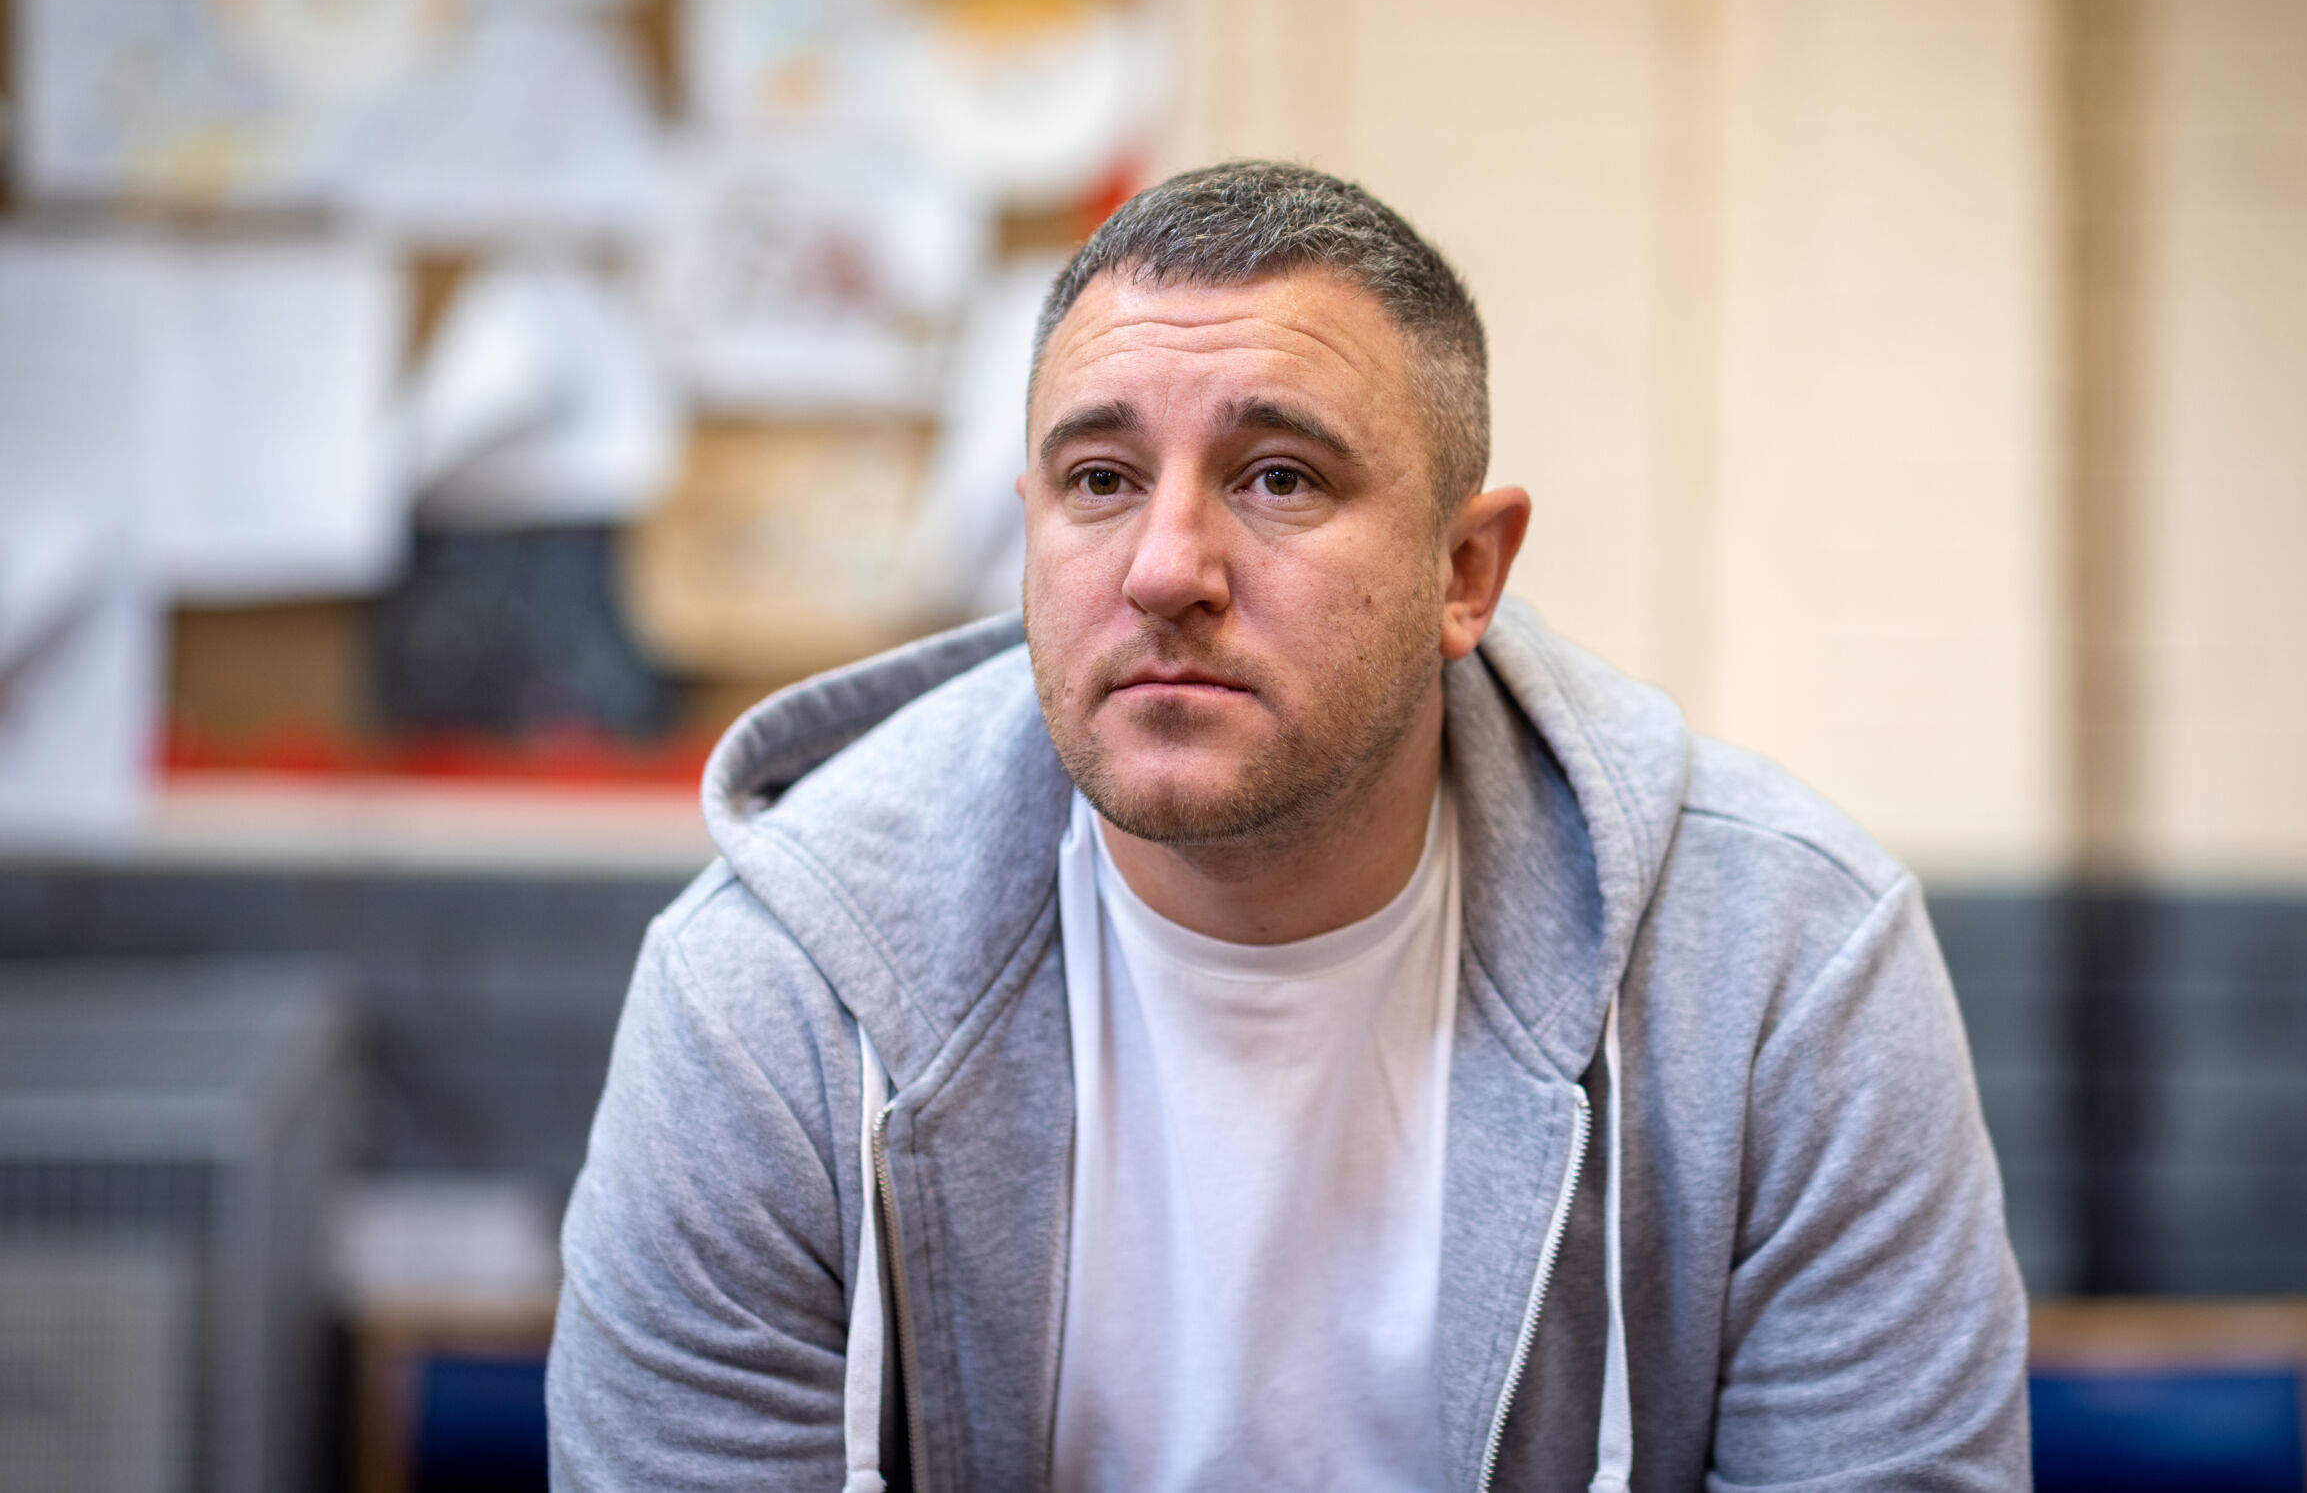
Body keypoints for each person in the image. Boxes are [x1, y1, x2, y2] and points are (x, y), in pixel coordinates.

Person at [548, 161, 2029, 1491]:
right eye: (1100, 481)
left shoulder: (1786, 974)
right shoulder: (775, 998)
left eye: (1278, 478)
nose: (1165, 568)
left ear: (1466, 572)